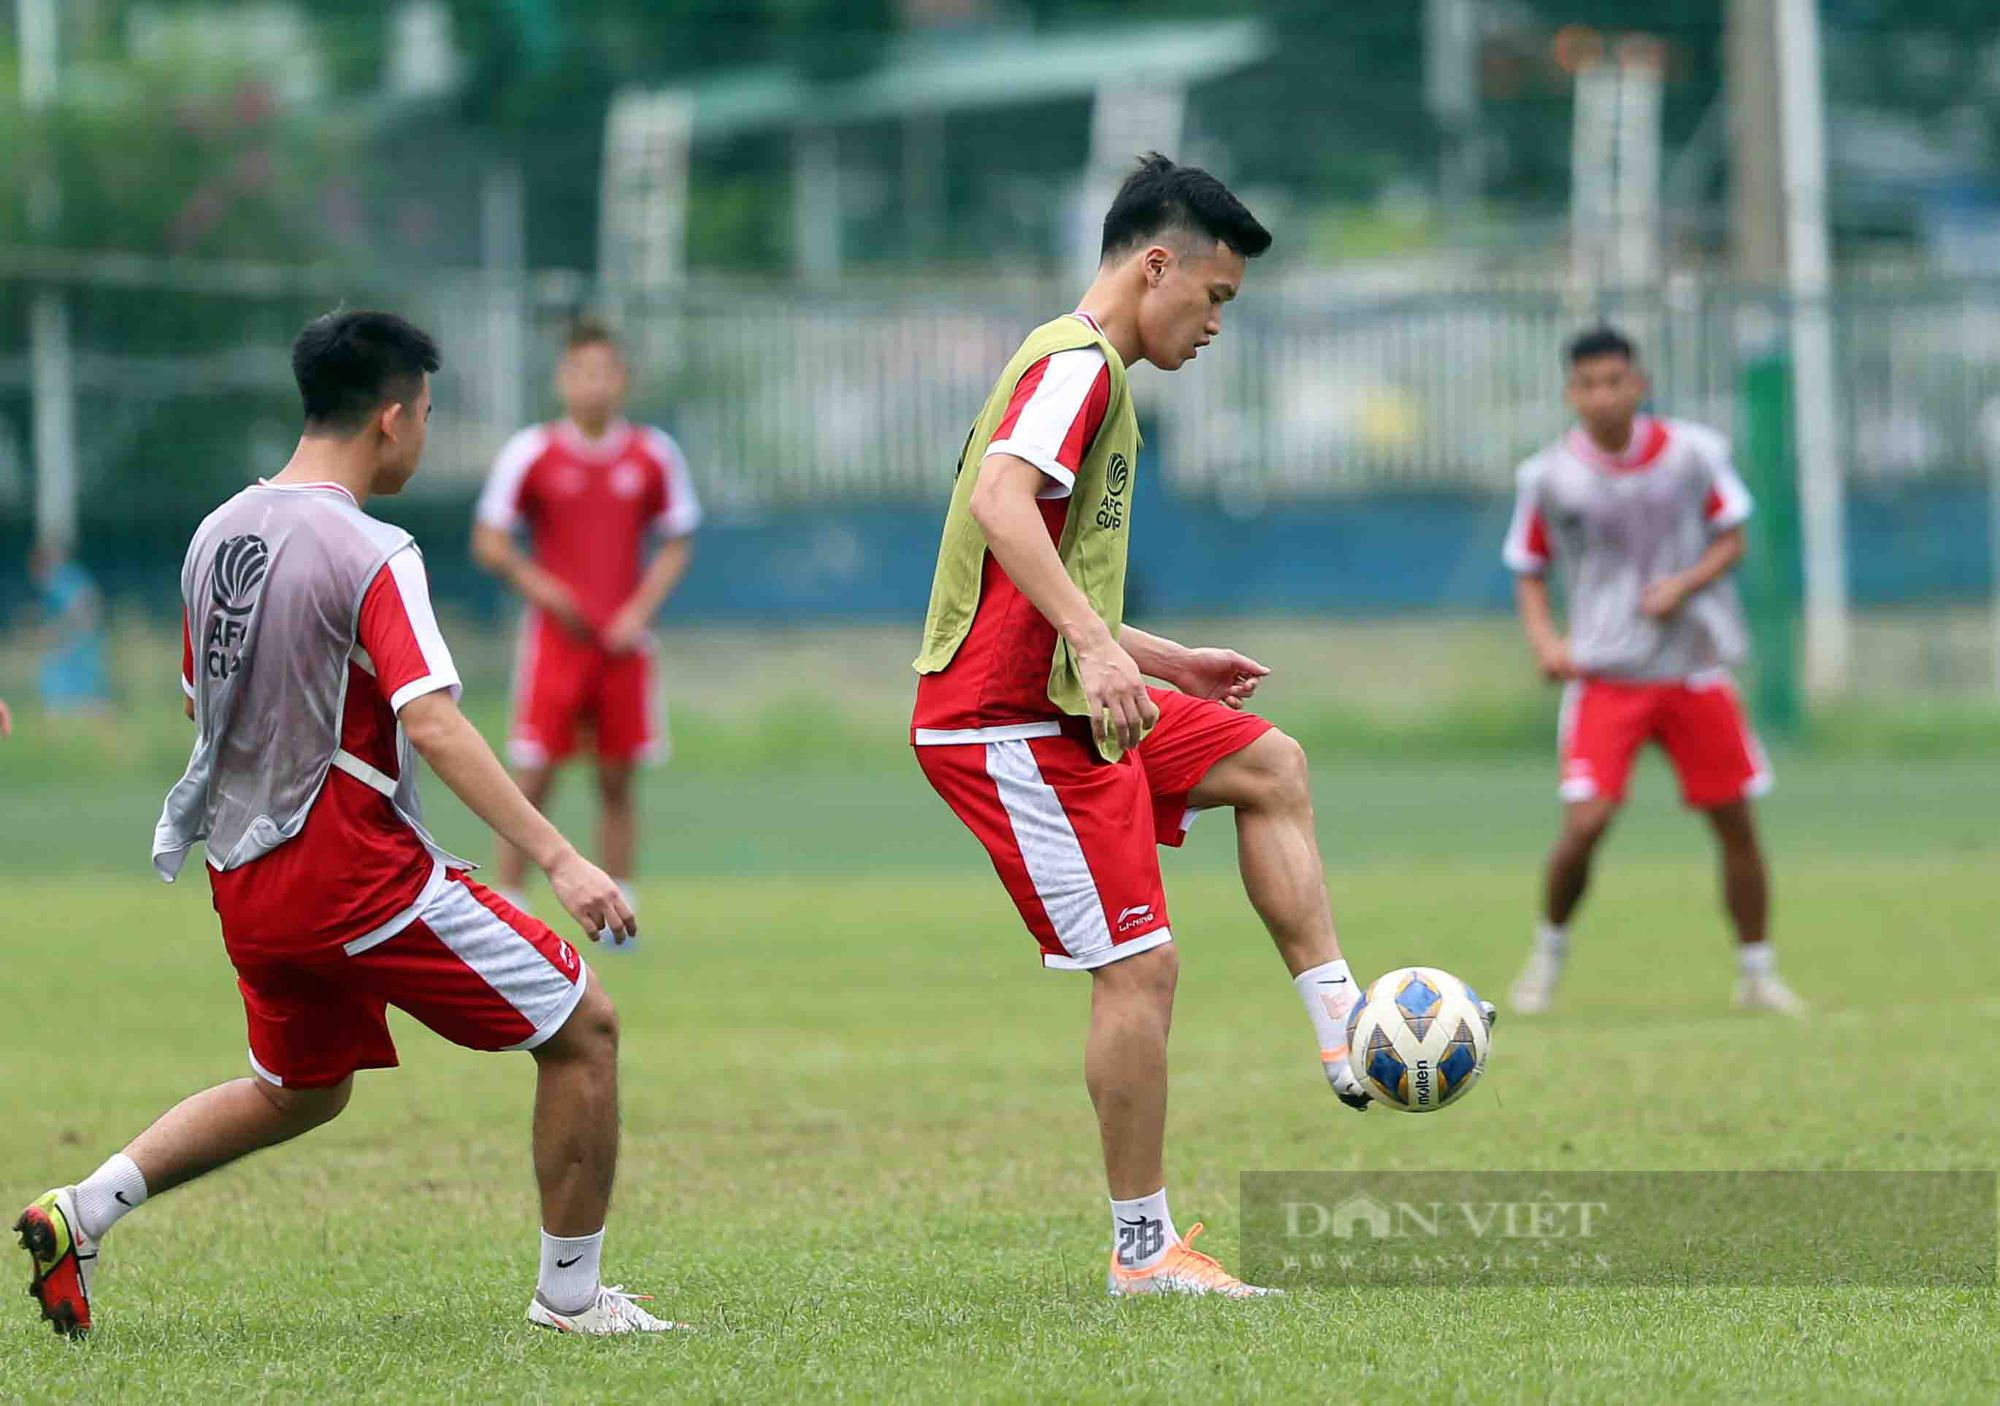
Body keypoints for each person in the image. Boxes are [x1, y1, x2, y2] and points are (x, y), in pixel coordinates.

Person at [14, 310, 681, 1337]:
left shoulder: (217, 532)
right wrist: (560, 854)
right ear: (390, 416)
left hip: (242, 874)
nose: (422, 432)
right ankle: (572, 1296)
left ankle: (82, 1209)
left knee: (302, 1086)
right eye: (424, 414)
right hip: (355, 872)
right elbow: (433, 719)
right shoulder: (372, 548)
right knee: (583, 1025)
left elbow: (202, 700)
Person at [913, 154, 1415, 1300]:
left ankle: (1344, 1028)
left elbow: (1037, 560)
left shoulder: (1082, 372)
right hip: (1005, 721)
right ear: (1155, 266)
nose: (1214, 323)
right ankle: (1142, 1253)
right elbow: (999, 506)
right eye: (1215, 297)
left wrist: (1154, 653)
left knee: (1268, 761)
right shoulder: (1074, 362)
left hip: (1068, 695)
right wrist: (1094, 649)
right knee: (1138, 967)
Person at [1502, 325, 1803, 1017]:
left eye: (1616, 382)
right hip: (1608, 675)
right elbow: (1529, 566)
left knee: (1736, 824)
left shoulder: (1696, 453)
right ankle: (1546, 958)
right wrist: (1547, 640)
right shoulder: (1548, 476)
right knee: (1586, 823)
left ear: (1639, 385)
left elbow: (1733, 537)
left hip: (1694, 667)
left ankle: (1757, 973)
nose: (1603, 397)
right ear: (1570, 392)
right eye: (1589, 385)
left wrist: (1685, 584)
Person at [471, 319, 700, 934]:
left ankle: (619, 916)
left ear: (622, 381)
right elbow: (490, 540)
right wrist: (540, 587)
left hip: (624, 647)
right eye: (581, 373)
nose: (593, 385)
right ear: (562, 379)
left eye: (605, 373)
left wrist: (638, 611)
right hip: (555, 645)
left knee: (617, 781)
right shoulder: (532, 452)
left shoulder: (652, 454)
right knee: (534, 776)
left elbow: (678, 540)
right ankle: (510, 913)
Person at [30, 541, 112, 715]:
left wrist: (56, 633)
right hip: (79, 646)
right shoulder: (71, 577)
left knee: (77, 698)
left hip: (75, 648)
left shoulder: (62, 580)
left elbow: (82, 609)